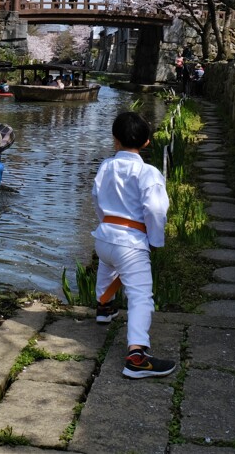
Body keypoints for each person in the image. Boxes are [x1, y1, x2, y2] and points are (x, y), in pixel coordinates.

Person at [92, 110, 176, 378]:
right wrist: (155, 240)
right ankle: (137, 355)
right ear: (147, 142)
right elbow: (155, 209)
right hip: (130, 241)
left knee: (108, 266)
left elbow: (95, 196)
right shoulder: (148, 172)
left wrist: (105, 223)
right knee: (141, 296)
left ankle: (104, 307)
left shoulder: (105, 166)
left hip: (104, 236)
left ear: (115, 140)